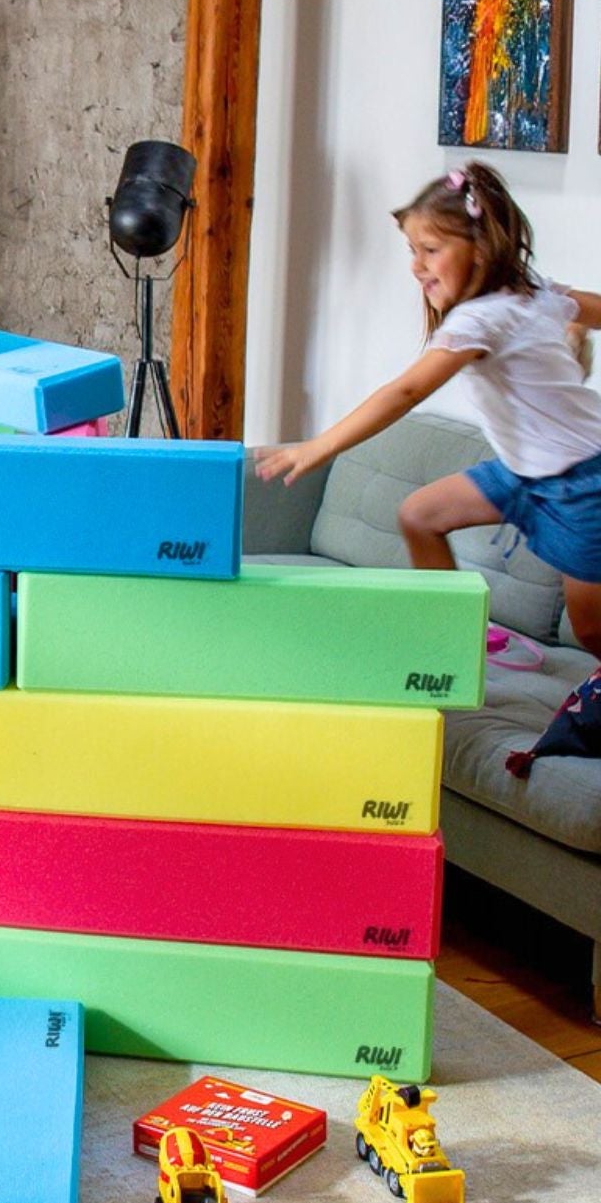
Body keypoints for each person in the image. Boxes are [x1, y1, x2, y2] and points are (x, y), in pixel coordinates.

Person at [258, 161, 601, 772]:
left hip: (582, 482)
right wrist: (573, 331)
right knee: (420, 515)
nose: (417, 265)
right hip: (523, 473)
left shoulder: (485, 317)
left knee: (593, 632)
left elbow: (406, 392)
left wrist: (318, 447)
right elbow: (576, 305)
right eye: (411, 250)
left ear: (480, 245)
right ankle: (452, 643)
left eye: (431, 249)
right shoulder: (528, 297)